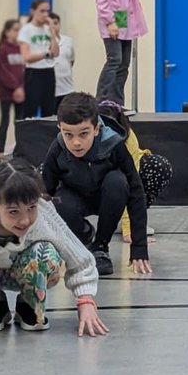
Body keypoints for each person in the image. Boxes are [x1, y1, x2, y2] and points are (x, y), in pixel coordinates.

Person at [0, 158, 108, 336]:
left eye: (31, 208)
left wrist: (86, 301)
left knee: (44, 253)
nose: (25, 219)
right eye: (13, 212)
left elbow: (81, 260)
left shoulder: (43, 213)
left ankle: (29, 304)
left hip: (27, 272)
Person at [40, 92, 152, 278]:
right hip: (74, 198)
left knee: (118, 181)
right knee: (55, 201)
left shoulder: (114, 145)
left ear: (97, 128)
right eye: (68, 134)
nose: (76, 142)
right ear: (59, 128)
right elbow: (43, 196)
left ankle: (100, 245)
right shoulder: (57, 148)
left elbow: (135, 193)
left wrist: (139, 247)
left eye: (84, 134)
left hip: (108, 197)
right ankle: (83, 237)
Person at [97, 99, 173, 245]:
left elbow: (133, 181)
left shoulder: (129, 138)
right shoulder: (86, 135)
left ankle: (135, 218)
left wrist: (131, 229)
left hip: (120, 180)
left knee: (157, 166)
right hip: (97, 182)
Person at [94, 0, 150, 104]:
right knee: (114, 60)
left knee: (124, 64)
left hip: (125, 17)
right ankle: (102, 100)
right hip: (114, 17)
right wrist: (110, 22)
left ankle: (117, 102)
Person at [18, 0, 60, 119]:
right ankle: (29, 137)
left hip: (49, 71)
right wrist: (46, 54)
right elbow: (26, 56)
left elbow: (56, 52)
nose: (45, 14)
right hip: (33, 73)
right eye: (42, 11)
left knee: (49, 110)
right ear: (33, 11)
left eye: (47, 11)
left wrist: (52, 32)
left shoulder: (48, 30)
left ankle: (47, 138)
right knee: (30, 110)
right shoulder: (26, 30)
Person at [0, 18, 25, 157]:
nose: (18, 33)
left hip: (21, 92)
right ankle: (0, 152)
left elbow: (26, 70)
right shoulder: (3, 50)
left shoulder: (22, 48)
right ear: (7, 32)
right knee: (5, 120)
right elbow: (2, 72)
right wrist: (15, 87)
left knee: (20, 122)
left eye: (19, 29)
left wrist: (22, 87)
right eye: (15, 30)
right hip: (7, 93)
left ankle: (21, 150)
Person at [49, 11, 76, 100]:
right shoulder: (43, 42)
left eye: (56, 23)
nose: (53, 27)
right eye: (51, 24)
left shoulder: (68, 40)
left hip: (67, 87)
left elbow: (71, 61)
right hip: (52, 88)